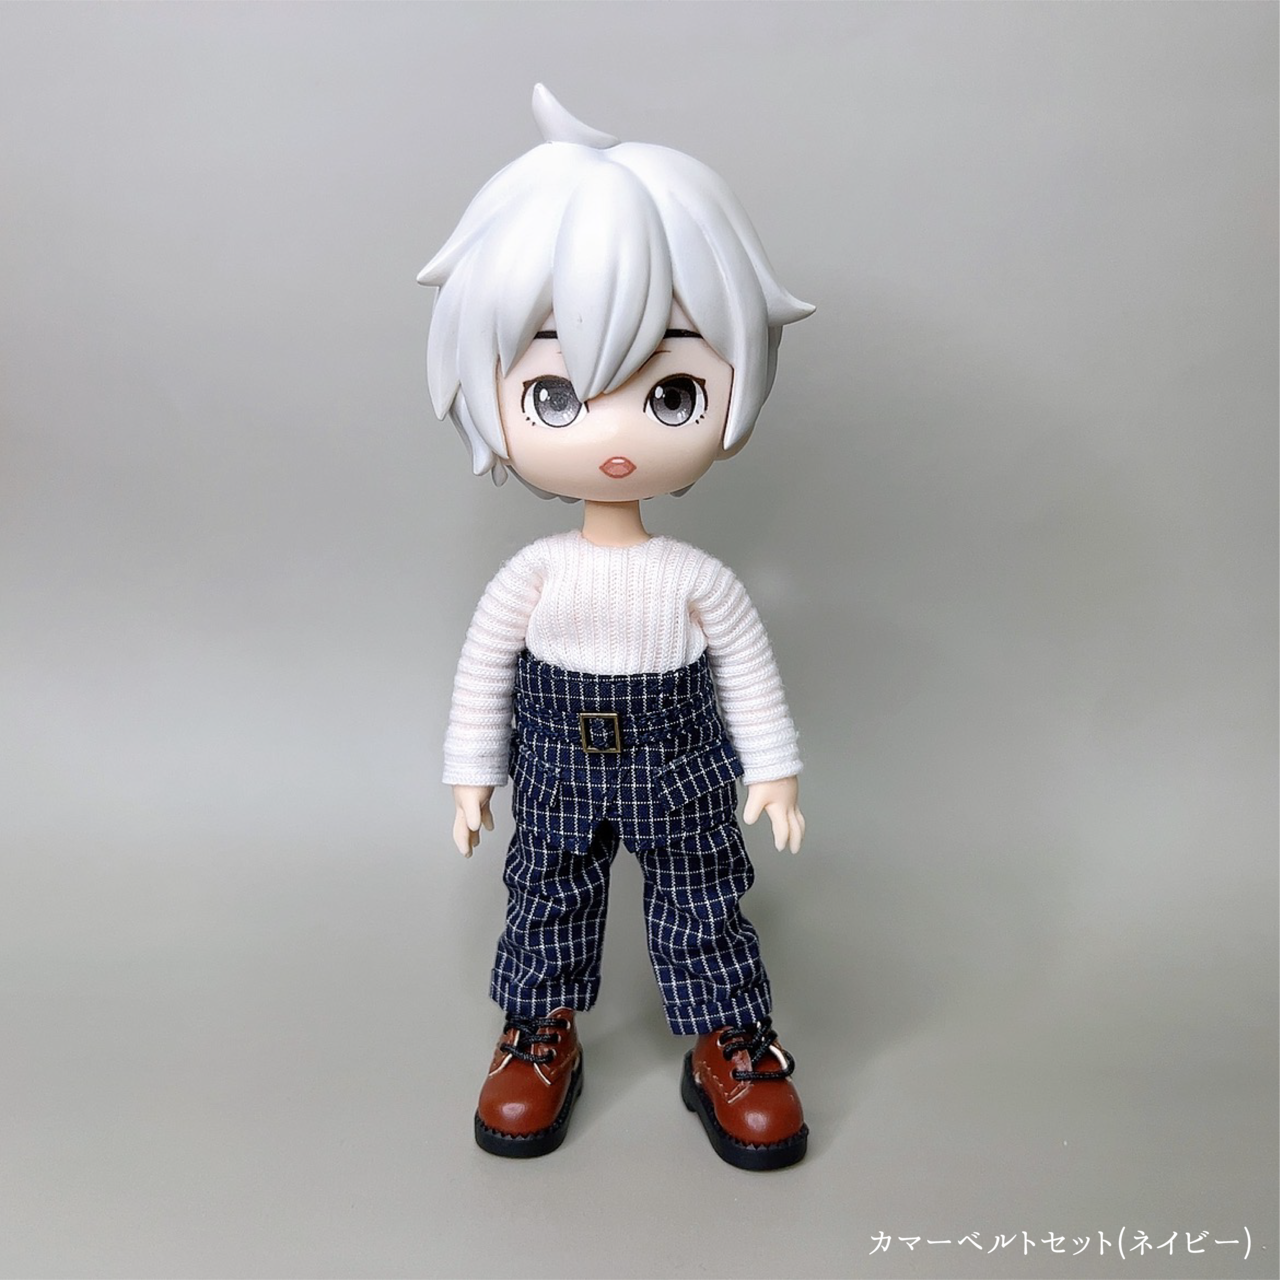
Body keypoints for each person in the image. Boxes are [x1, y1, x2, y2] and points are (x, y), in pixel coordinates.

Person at [419, 85, 813, 1171]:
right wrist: (471, 774)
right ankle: (537, 1032)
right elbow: (483, 671)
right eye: (555, 396)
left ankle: (729, 1042)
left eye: (672, 392)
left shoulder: (695, 578)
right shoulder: (531, 576)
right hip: (554, 765)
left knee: (704, 896)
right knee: (544, 894)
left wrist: (773, 769)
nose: (615, 435)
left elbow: (747, 670)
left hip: (681, 766)